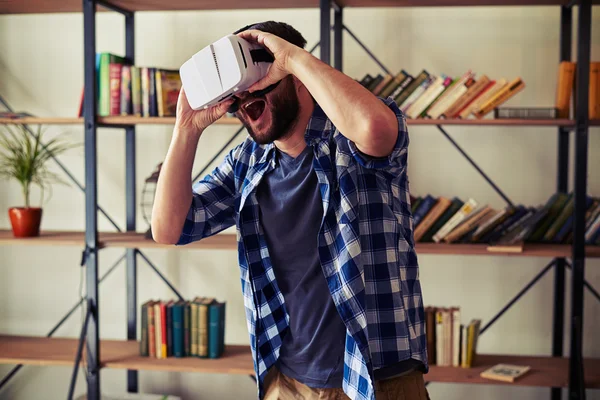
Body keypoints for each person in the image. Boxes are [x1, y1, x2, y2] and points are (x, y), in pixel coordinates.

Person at [151, 21, 429, 400]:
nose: (245, 103)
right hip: (287, 383)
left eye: (259, 85)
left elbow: (375, 129)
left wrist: (293, 58)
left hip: (378, 380)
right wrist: (186, 129)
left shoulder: (348, 142)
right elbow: (168, 228)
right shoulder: (248, 162)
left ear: (295, 76)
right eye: (238, 97)